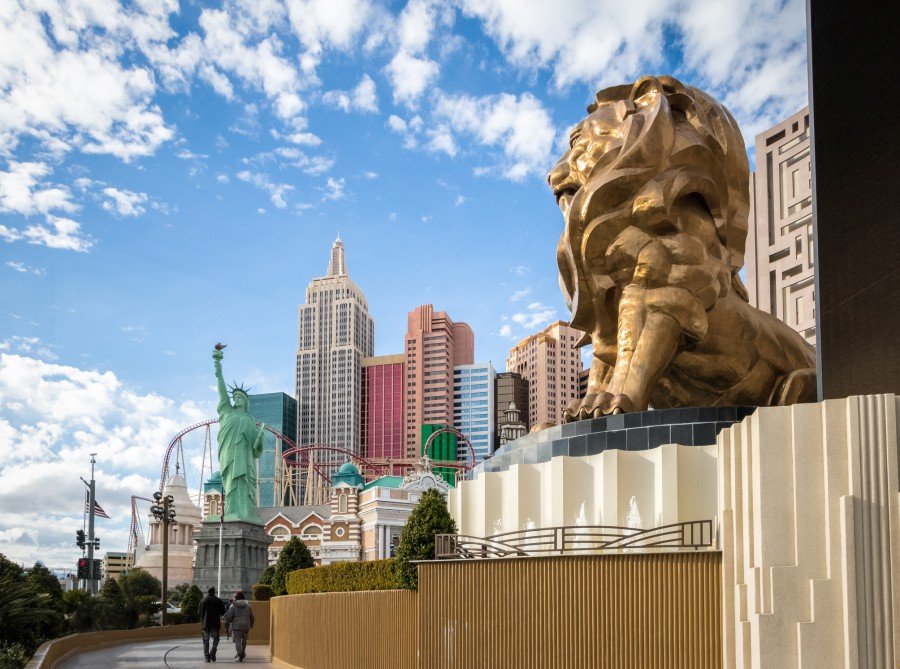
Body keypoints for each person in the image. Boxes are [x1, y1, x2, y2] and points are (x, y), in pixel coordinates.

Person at [222, 590, 254, 662]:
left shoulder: (232, 606)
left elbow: (229, 617)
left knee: (237, 641)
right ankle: (243, 652)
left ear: (235, 598)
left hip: (236, 626)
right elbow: (252, 617)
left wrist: (226, 621)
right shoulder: (248, 606)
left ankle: (239, 655)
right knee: (244, 641)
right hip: (246, 626)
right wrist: (251, 625)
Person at [198, 586, 226, 663]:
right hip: (215, 624)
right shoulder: (218, 600)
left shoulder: (202, 600)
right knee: (216, 639)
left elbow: (199, 613)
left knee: (205, 641)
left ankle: (207, 657)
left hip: (205, 624)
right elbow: (223, 612)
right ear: (214, 592)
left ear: (207, 592)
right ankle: (213, 651)